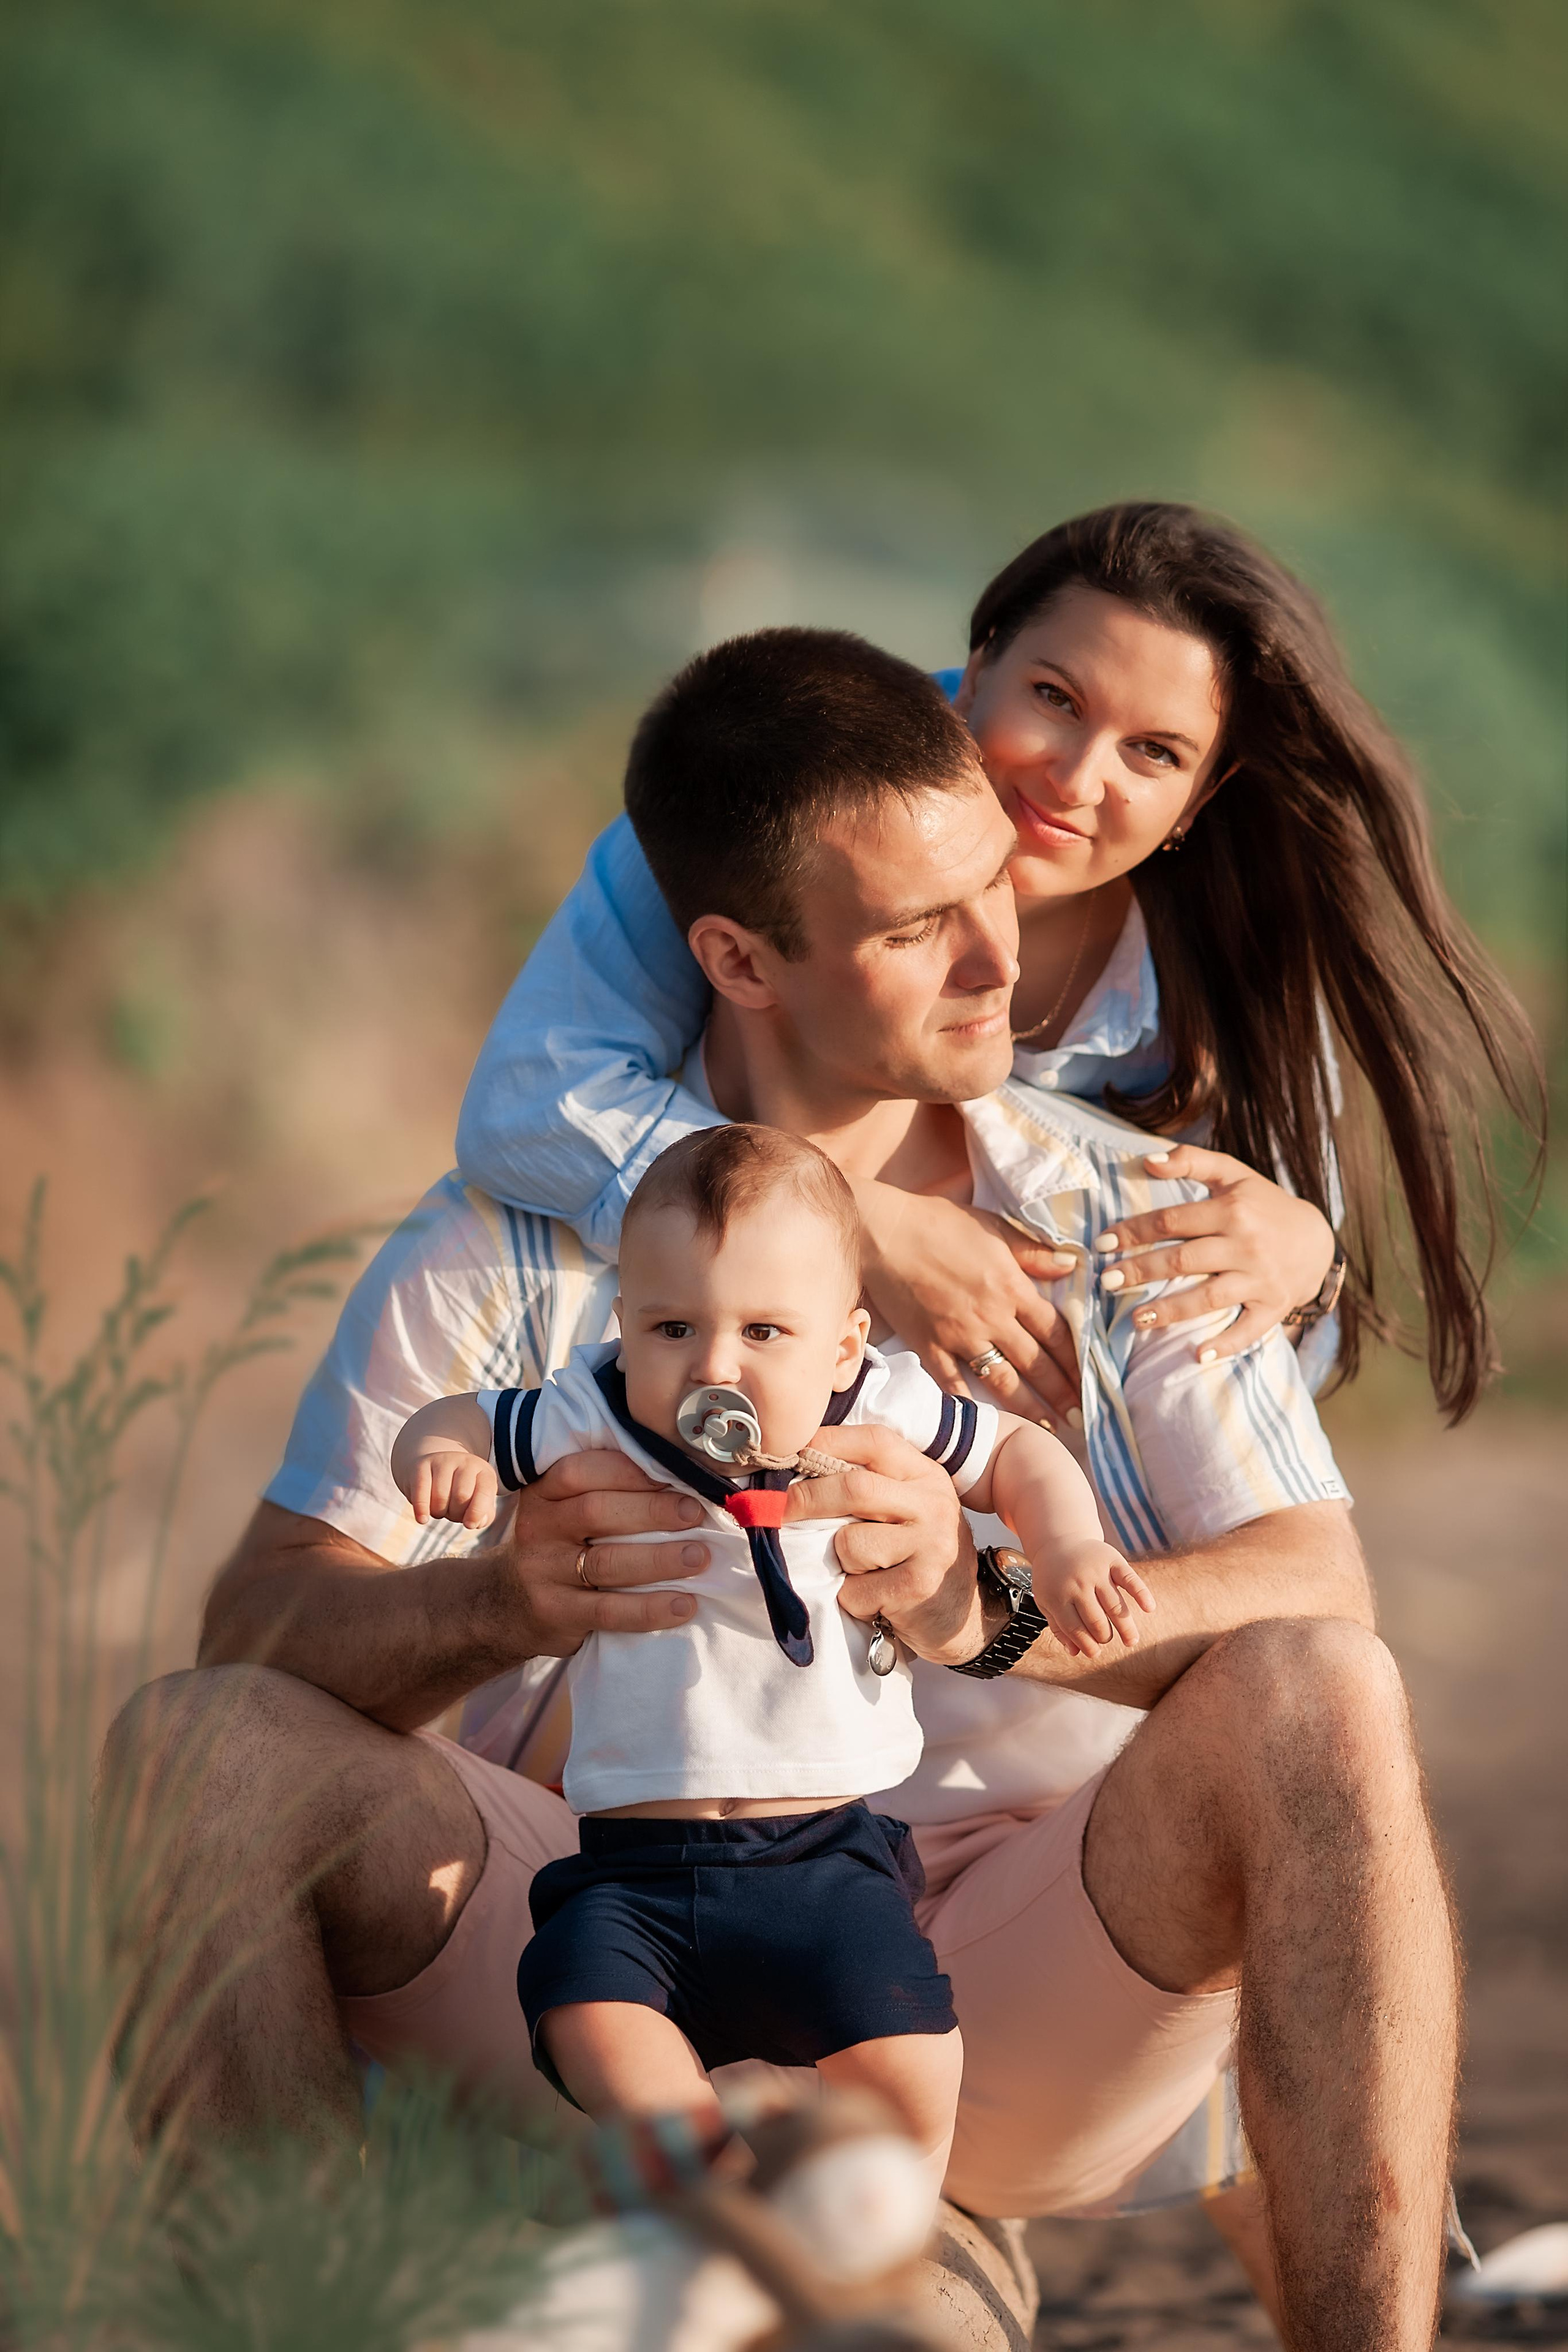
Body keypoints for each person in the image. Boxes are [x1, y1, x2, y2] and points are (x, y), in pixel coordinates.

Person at [102, 627, 1457, 2352]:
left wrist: (986, 1611)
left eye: (995, 892)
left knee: (1322, 1689)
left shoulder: (1135, 1219)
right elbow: (258, 1624)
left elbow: (1323, 1594)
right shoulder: (511, 1242)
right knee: (193, 1744)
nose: (1001, 966)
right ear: (736, 958)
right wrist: (492, 1603)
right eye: (915, 930)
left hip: (991, 1986)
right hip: (594, 1942)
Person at [456, 502, 1541, 1428]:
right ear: (974, 674)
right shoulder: (784, 808)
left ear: (1198, 801)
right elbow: (529, 1105)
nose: (1075, 778)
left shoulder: (1234, 961)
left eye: (1153, 753)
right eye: (1055, 699)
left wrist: (1305, 1264)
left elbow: (1272, 1375)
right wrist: (856, 1227)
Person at [391, 1123, 1147, 2192]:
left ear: (843, 1344)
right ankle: (718, 2196)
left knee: (910, 2059)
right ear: (622, 1326)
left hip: (822, 1861)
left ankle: (893, 2233)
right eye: (672, 1326)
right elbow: (461, 1415)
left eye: (763, 1331)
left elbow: (1016, 1451)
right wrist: (443, 1457)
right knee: (591, 2024)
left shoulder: (876, 1405)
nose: (713, 1366)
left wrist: (1067, 1549)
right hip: (632, 1868)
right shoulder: (597, 1411)